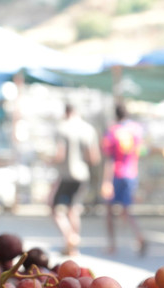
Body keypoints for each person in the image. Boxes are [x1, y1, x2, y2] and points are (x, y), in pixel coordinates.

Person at [51, 103, 101, 256]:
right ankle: (73, 248)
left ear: (66, 112)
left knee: (56, 209)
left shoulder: (62, 128)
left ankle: (70, 237)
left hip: (67, 175)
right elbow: (94, 158)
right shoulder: (88, 129)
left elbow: (60, 154)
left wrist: (50, 160)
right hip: (82, 175)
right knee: (74, 209)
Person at [101, 102, 146, 255]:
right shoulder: (137, 130)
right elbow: (141, 152)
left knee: (109, 211)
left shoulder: (112, 131)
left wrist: (106, 182)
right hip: (132, 173)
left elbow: (109, 159)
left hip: (116, 174)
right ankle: (139, 236)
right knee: (126, 210)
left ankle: (112, 245)